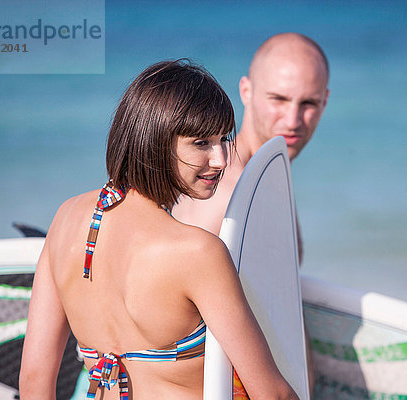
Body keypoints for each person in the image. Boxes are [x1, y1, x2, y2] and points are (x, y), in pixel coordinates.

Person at [19, 60, 298, 400]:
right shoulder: (198, 252)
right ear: (156, 141)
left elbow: (34, 381)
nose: (222, 158)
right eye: (201, 143)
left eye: (223, 138)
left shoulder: (66, 217)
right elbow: (273, 394)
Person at [172, 33, 330, 240]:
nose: (293, 121)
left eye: (308, 103)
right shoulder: (224, 191)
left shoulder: (269, 172)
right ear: (246, 91)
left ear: (324, 102)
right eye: (278, 99)